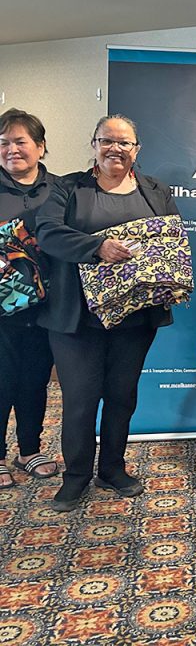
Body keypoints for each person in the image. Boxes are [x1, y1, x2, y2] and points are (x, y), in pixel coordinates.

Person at [36, 114, 180, 511]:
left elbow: (171, 241)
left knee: (122, 396)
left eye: (125, 142)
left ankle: (112, 469)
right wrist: (98, 247)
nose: (115, 148)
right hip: (77, 319)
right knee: (81, 399)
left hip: (134, 318)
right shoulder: (66, 188)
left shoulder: (155, 191)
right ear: (94, 144)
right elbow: (48, 234)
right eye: (107, 140)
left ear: (137, 150)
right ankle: (76, 476)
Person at [0, 109, 58, 489]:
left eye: (20, 141)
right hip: (0, 309)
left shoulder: (60, 189)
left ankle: (29, 449)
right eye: (4, 143)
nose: (11, 150)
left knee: (35, 379)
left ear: (40, 146)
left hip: (49, 306)